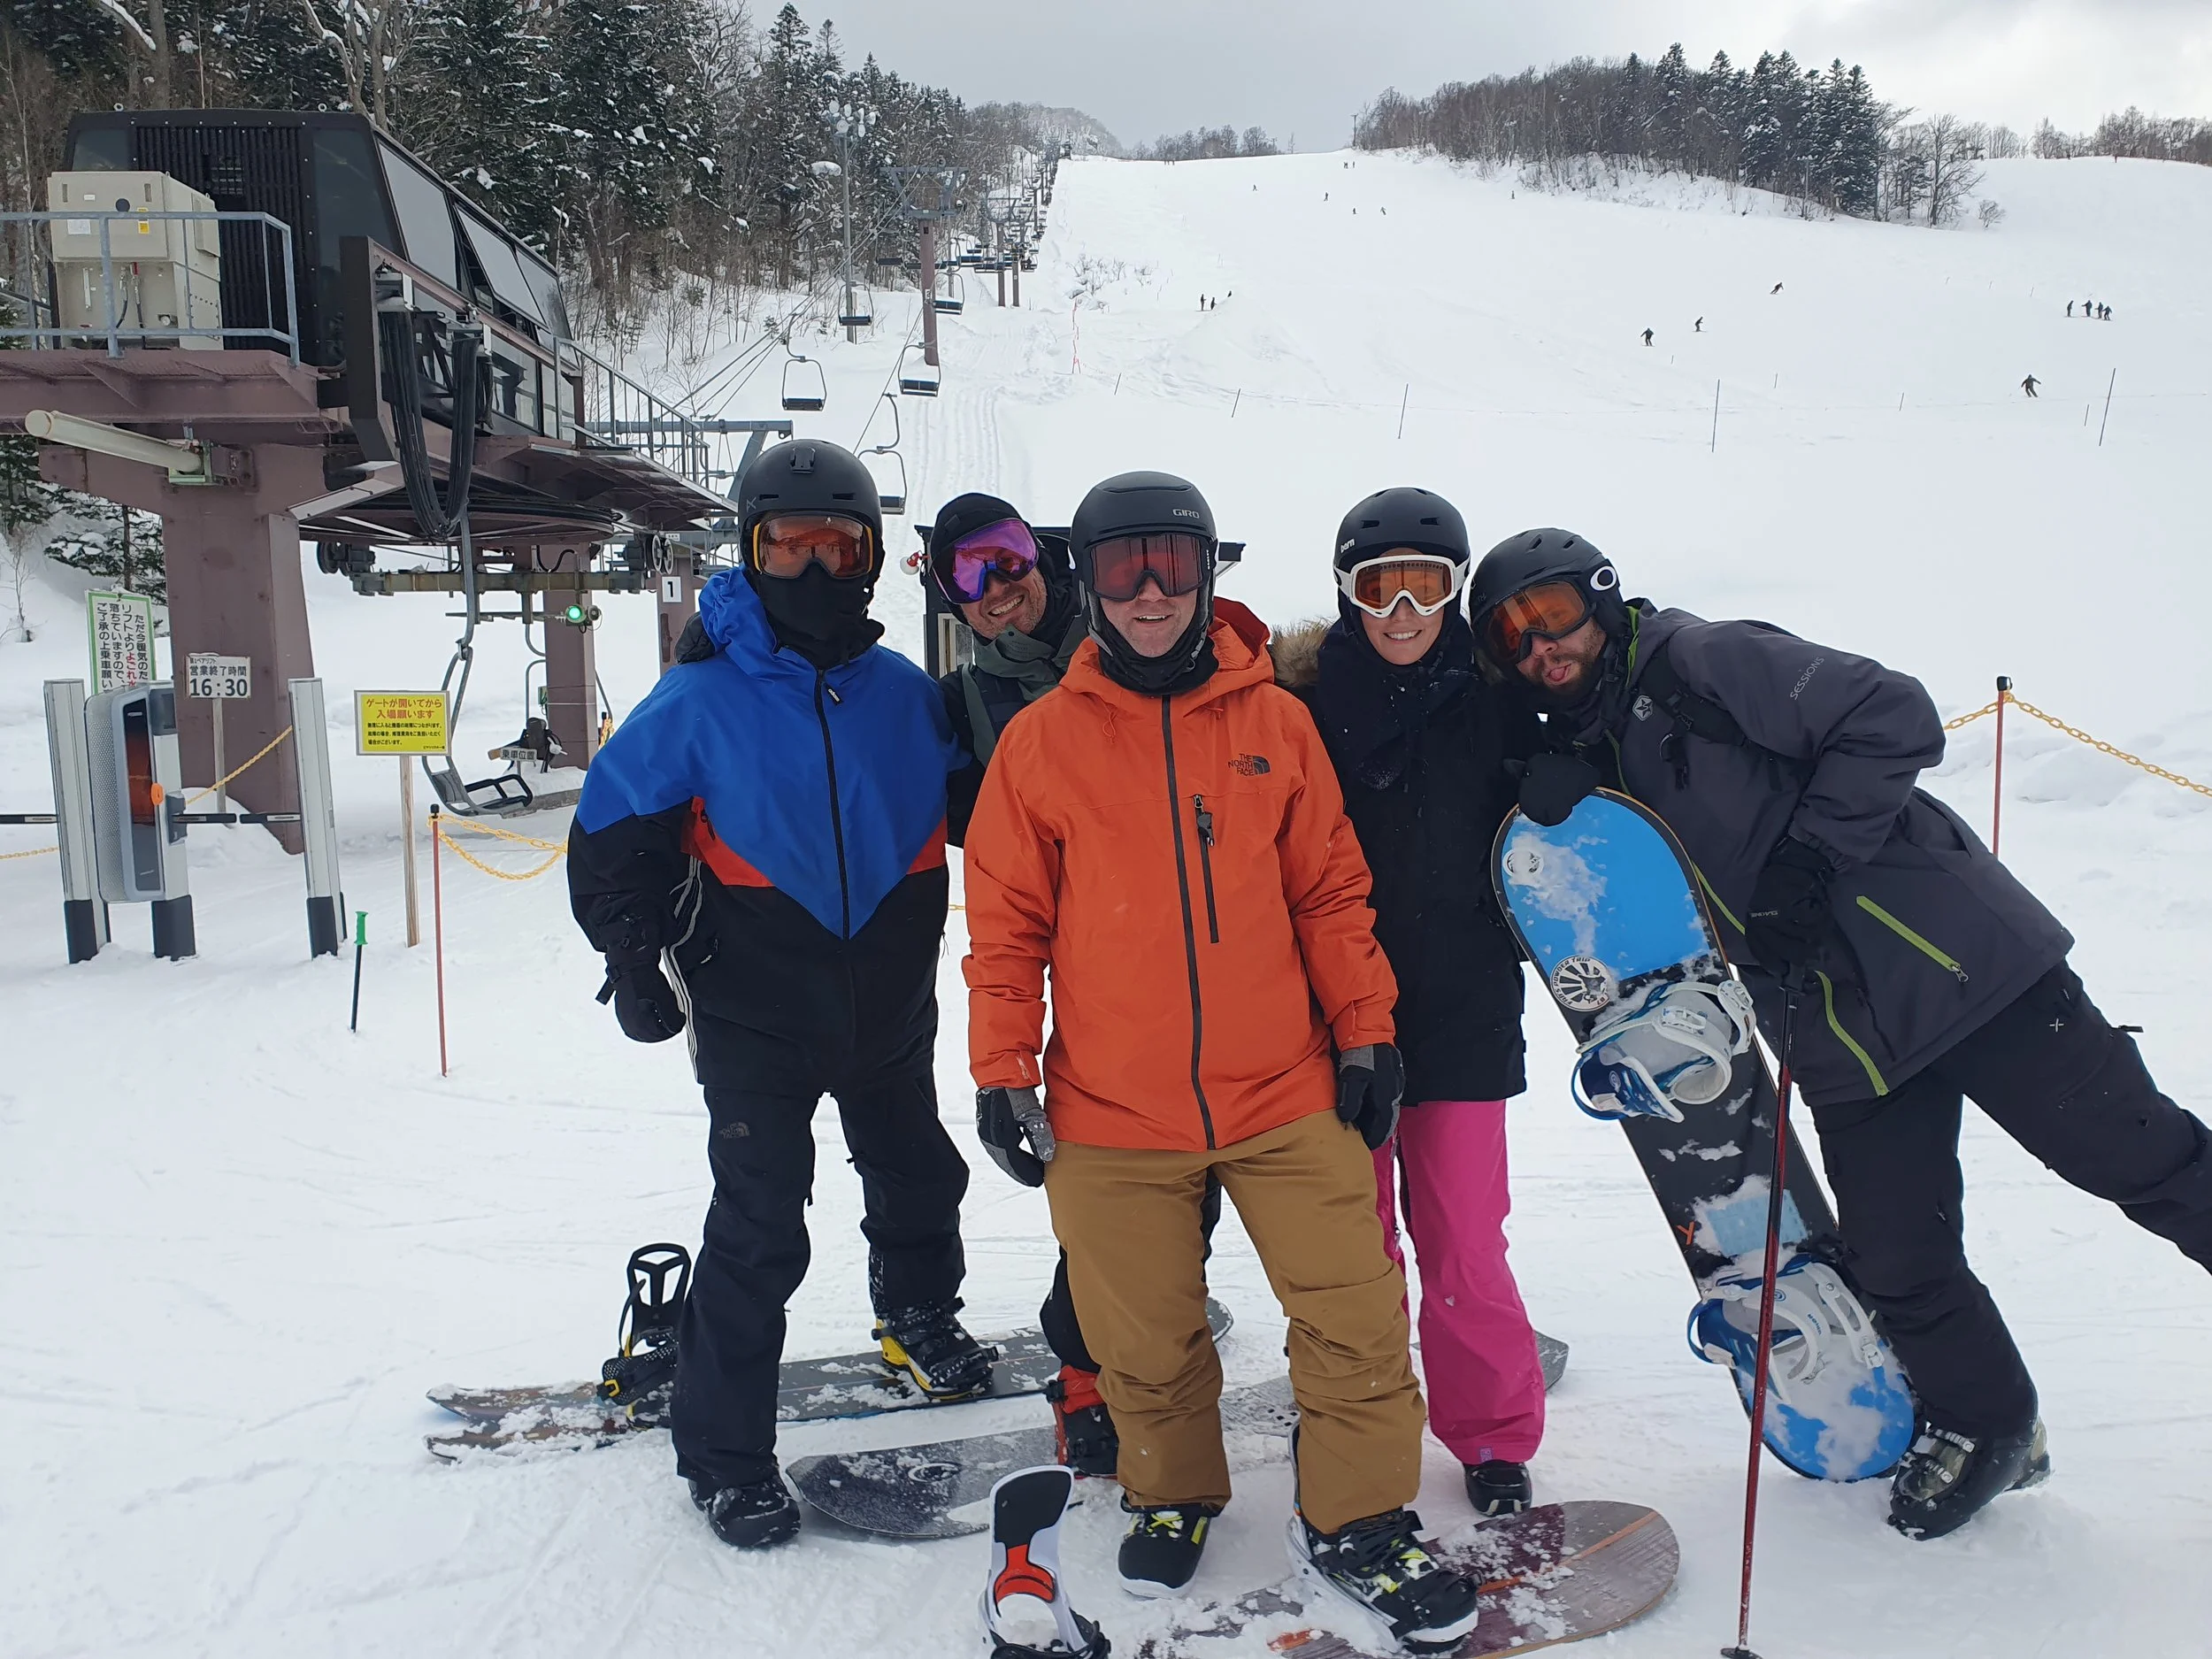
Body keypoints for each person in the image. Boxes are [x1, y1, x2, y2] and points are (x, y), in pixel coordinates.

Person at [1466, 529, 2212, 1541]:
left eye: (1551, 614)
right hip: (1836, 1031)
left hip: (1959, 969)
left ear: (1600, 599)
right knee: (1896, 1256)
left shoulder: (1696, 660)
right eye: (1512, 637)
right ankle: (1992, 1425)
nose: (1539, 645)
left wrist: (1809, 859)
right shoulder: (1593, 747)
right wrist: (1553, 797)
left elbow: (1890, 713)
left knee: (2143, 1161)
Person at [964, 472, 1486, 1648]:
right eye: (1120, 566)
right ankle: (1174, 1485)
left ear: (1208, 575)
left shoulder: (1274, 724)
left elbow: (1330, 889)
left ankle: (1358, 1516)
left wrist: (1367, 1028)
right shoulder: (1041, 743)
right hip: (1110, 1101)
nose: (1149, 591)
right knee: (1142, 1338)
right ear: (1087, 583)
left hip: (1283, 1085)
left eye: (1173, 563)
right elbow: (1006, 930)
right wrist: (1002, 1073)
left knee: (1355, 1314)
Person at [567, 440, 992, 1551]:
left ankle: (915, 1317)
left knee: (917, 1173)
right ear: (750, 555)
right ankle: (724, 1453)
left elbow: (1002, 812)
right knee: (760, 1225)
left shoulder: (907, 698)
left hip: (889, 991)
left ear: (867, 560)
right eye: (786, 547)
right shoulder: (696, 701)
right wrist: (631, 962)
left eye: (834, 547)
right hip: (757, 1004)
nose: (811, 570)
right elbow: (614, 842)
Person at [927, 489, 1228, 1476]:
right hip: (1103, 979)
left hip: (1220, 966)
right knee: (1106, 1205)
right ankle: (1090, 1379)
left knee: (1199, 1199)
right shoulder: (970, 701)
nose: (997, 588)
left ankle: (1166, 1359)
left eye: (1009, 558)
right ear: (947, 594)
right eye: (969, 573)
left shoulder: (1135, 622)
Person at [1271, 488, 1548, 1516]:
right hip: (1332, 1024)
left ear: (1454, 592)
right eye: (1376, 588)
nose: (1400, 614)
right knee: (1355, 1248)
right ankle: (1358, 1412)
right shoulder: (1294, 708)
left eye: (1422, 588)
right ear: (1346, 594)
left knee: (1466, 1243)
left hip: (1466, 1018)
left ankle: (1490, 1434)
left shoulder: (1497, 702)